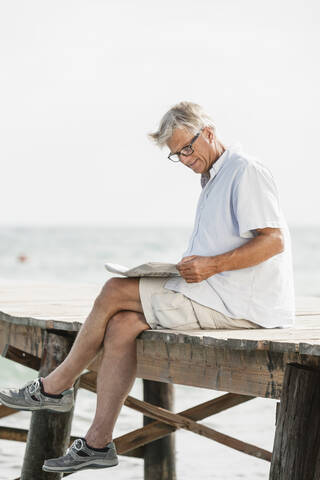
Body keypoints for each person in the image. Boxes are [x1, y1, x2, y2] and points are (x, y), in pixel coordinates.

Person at [0, 101, 295, 474]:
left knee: (113, 290)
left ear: (208, 132)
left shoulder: (244, 170)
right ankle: (97, 443)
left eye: (187, 147)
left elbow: (273, 242)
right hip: (215, 293)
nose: (185, 159)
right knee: (122, 323)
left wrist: (210, 265)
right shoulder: (213, 178)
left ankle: (53, 387)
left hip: (241, 305)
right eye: (177, 155)